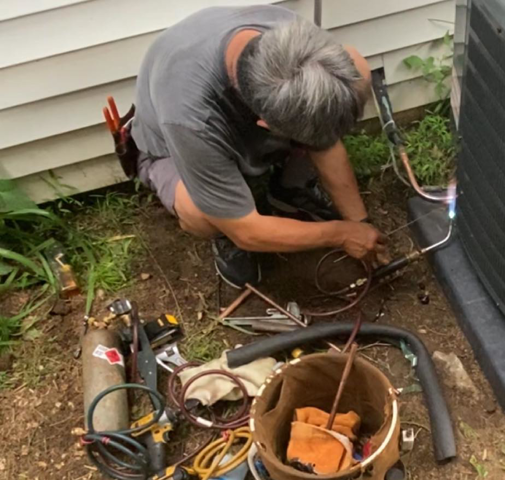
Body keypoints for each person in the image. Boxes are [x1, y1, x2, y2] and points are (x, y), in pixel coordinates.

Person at [131, 5, 387, 288]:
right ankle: (221, 234)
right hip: (173, 148)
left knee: (330, 108)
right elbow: (247, 231)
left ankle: (290, 188)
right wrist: (340, 234)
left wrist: (361, 223)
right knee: (200, 214)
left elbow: (325, 138)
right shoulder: (191, 117)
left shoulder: (300, 43)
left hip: (248, 115)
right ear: (263, 124)